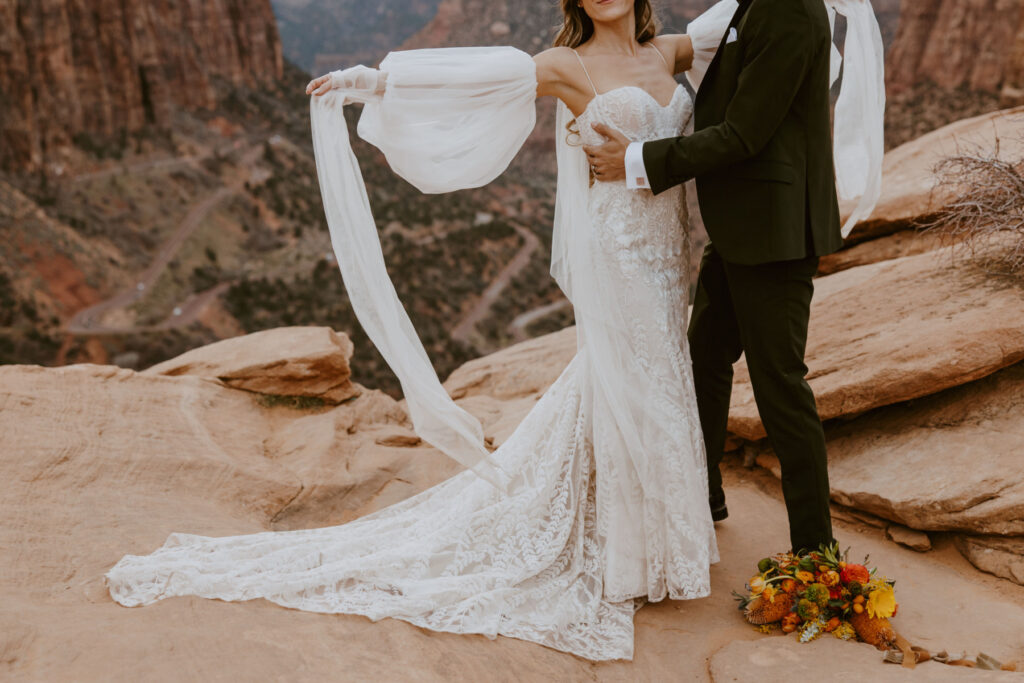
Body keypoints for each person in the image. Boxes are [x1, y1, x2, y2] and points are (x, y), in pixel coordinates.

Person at [105, 0, 883, 662]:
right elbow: (478, 72)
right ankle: (638, 543)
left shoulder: (676, 44)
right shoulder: (565, 63)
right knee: (643, 379)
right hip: (618, 249)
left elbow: (737, 86)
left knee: (674, 377)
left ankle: (684, 528)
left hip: (671, 248)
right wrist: (372, 82)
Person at [583, 0, 884, 555]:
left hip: (775, 237)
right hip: (747, 229)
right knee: (705, 354)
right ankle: (706, 492)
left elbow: (745, 134)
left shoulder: (790, 10)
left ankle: (816, 556)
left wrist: (639, 161)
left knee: (780, 388)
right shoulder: (756, 5)